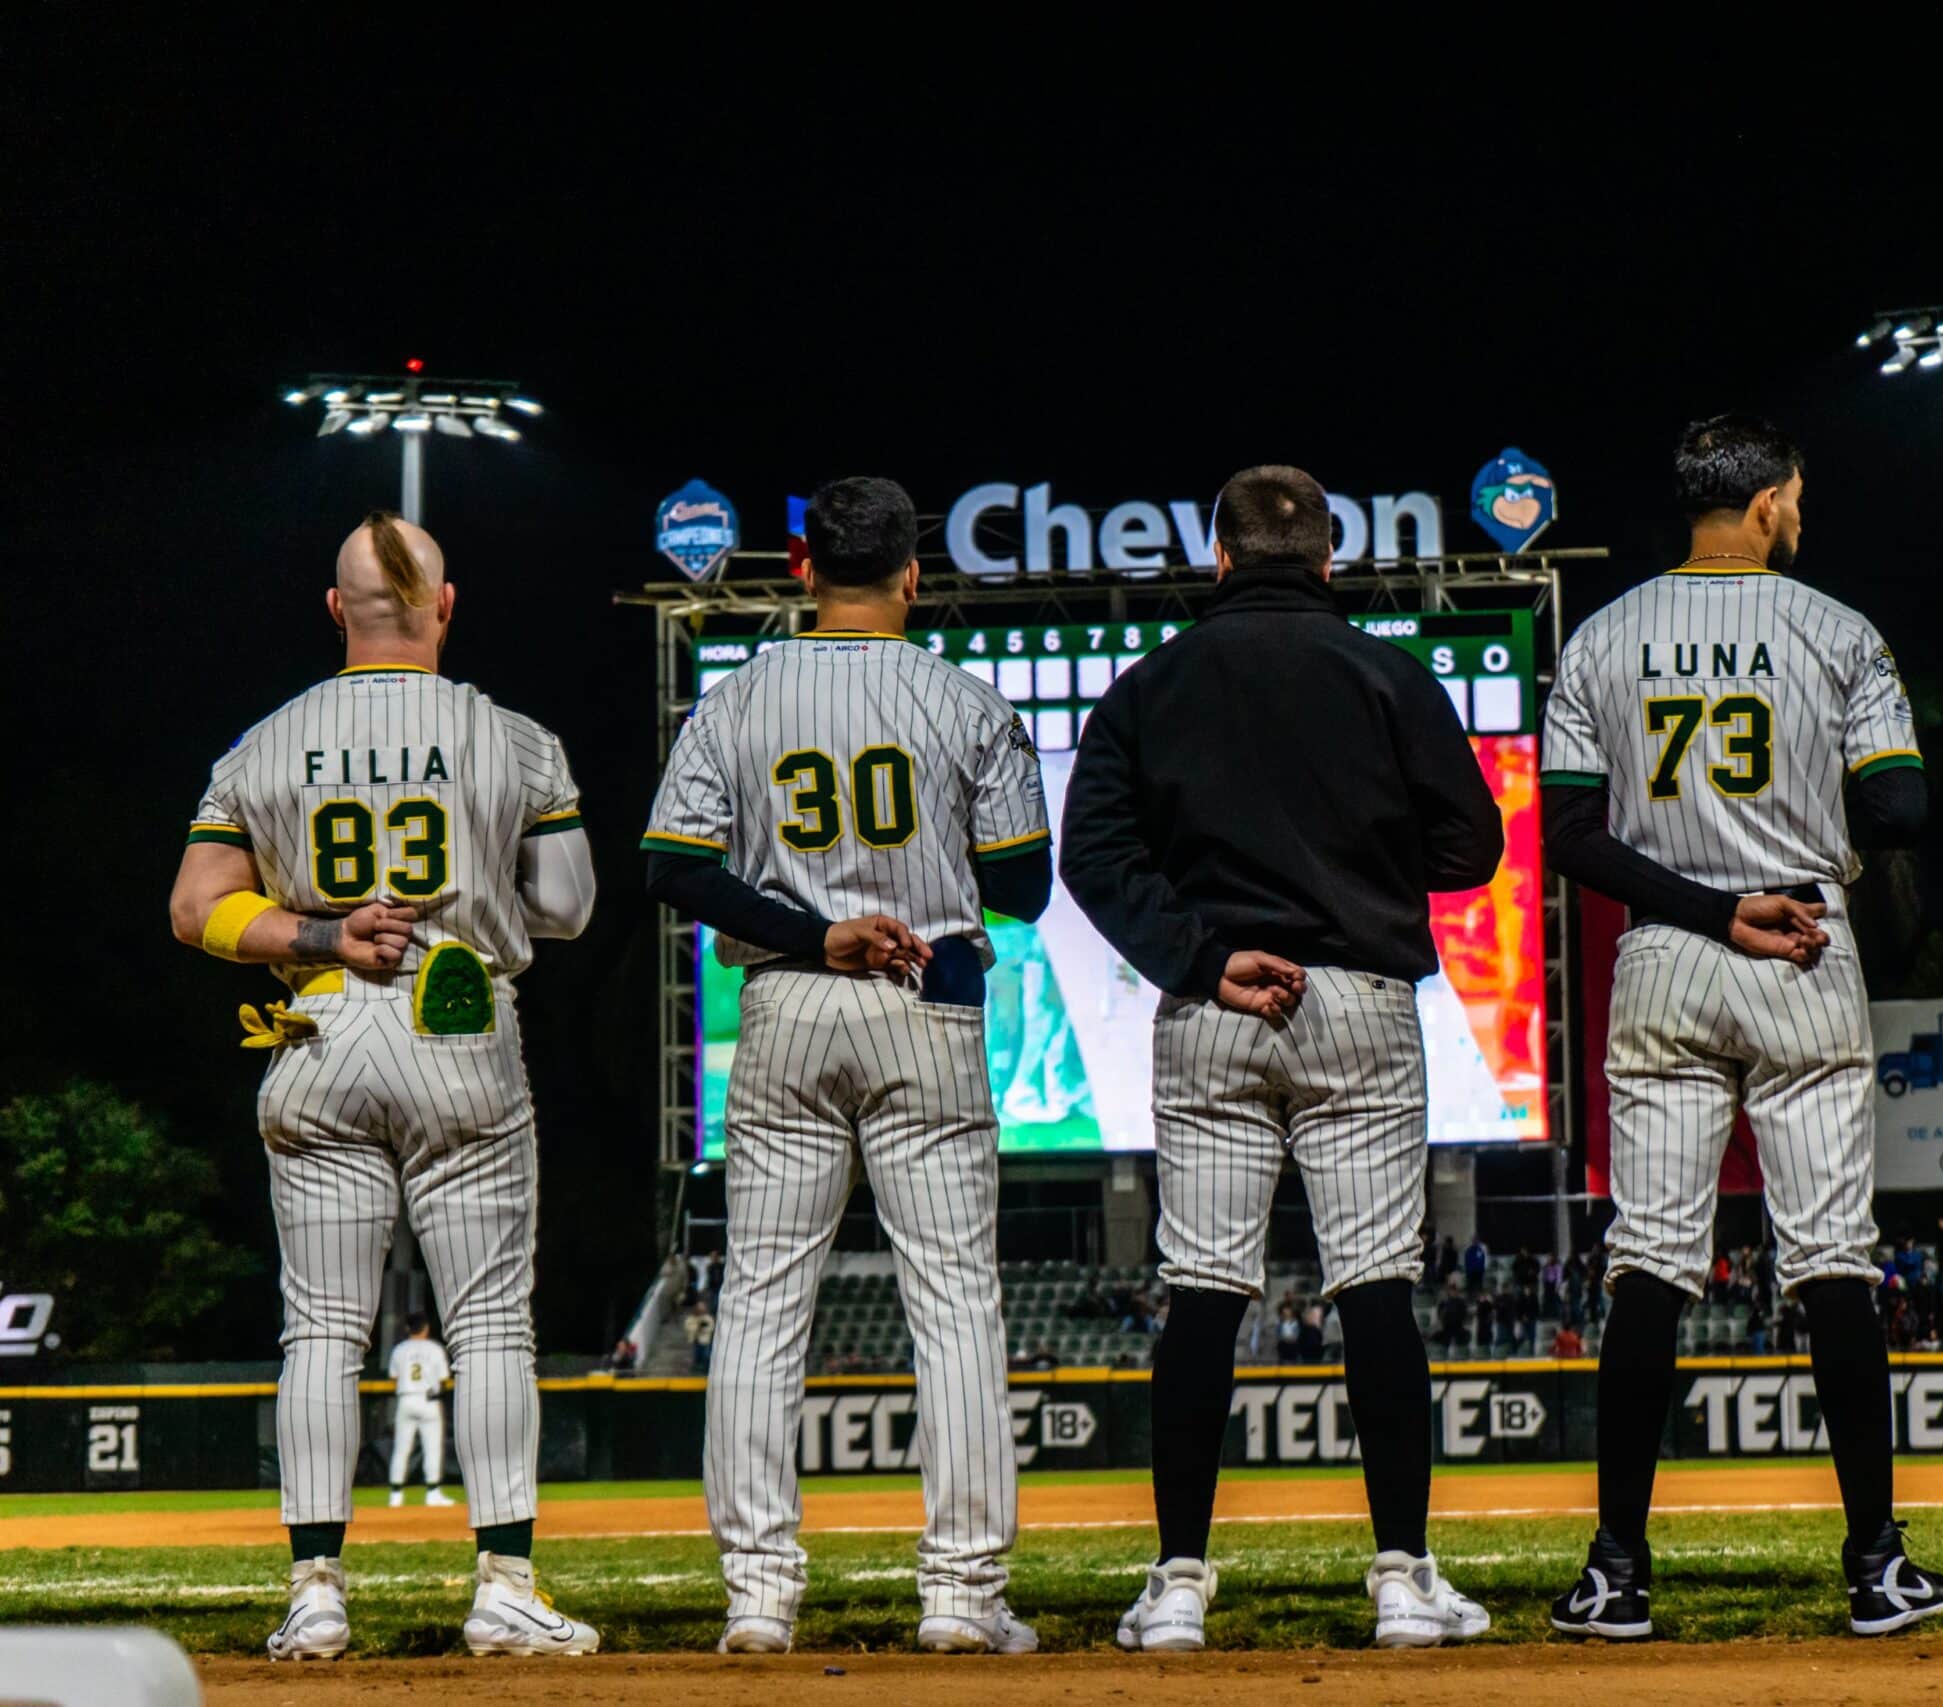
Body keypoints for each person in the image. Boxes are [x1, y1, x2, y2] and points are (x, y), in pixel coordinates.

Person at [1061, 465, 1503, 1652]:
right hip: (1358, 996)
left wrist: (1203, 958)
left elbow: (1094, 859)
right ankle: (1403, 1579)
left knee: (1203, 1292)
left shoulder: (1149, 683)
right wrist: (1359, 868)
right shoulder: (1387, 673)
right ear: (1326, 562)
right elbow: (1472, 845)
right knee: (1374, 1291)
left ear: (1217, 558)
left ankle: (1178, 1585)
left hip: (1214, 1007)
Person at [1538, 418, 1943, 1641]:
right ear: (1769, 502)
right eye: (1800, 499)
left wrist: (1711, 904)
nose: (1801, 516)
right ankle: (1874, 1563)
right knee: (1829, 1259)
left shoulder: (1602, 635)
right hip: (1804, 943)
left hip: (1668, 949)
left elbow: (1568, 838)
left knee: (1649, 1266)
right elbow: (1901, 805)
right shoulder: (1836, 631)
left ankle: (1616, 1568)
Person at [167, 513, 601, 1658]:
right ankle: (505, 1580)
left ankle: (314, 1590)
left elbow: (194, 907)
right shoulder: (512, 738)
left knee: (317, 1331)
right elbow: (565, 909)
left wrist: (314, 926)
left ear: (334, 609)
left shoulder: (263, 742)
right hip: (456, 1017)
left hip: (320, 1018)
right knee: (492, 1323)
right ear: (445, 608)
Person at [642, 476, 1052, 1657]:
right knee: (956, 1303)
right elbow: (1022, 886)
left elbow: (673, 866)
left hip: (790, 1001)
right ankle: (963, 1598)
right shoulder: (965, 699)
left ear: (801, 566)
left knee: (764, 1299)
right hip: (926, 995)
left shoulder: (741, 693)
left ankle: (760, 1596)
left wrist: (810, 925)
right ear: (914, 572)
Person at [385, 1316, 455, 1508]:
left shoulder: (399, 1349)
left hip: (406, 1399)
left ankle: (396, 1496)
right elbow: (443, 1378)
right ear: (425, 1328)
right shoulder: (434, 1349)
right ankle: (433, 1493)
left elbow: (393, 1377)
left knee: (401, 1449)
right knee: (432, 1448)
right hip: (428, 1400)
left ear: (408, 1328)